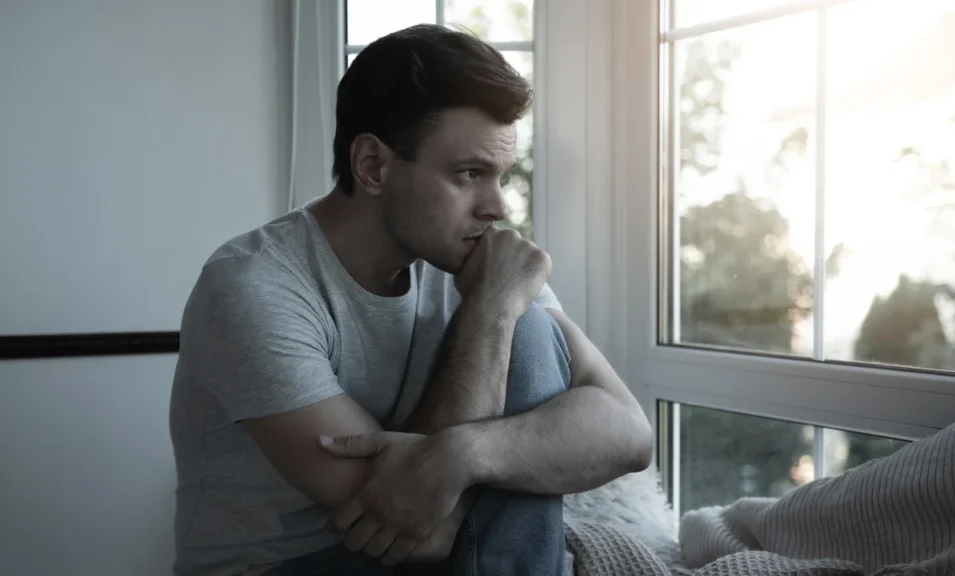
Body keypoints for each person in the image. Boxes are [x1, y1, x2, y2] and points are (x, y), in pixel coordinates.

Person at [169, 23, 653, 576]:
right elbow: (413, 528)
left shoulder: (478, 256)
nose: (497, 206)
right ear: (373, 166)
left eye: (502, 176)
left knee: (531, 331)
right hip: (291, 565)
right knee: (514, 321)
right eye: (469, 174)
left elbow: (631, 433)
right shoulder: (254, 286)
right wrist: (490, 311)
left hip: (445, 555)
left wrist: (468, 452)